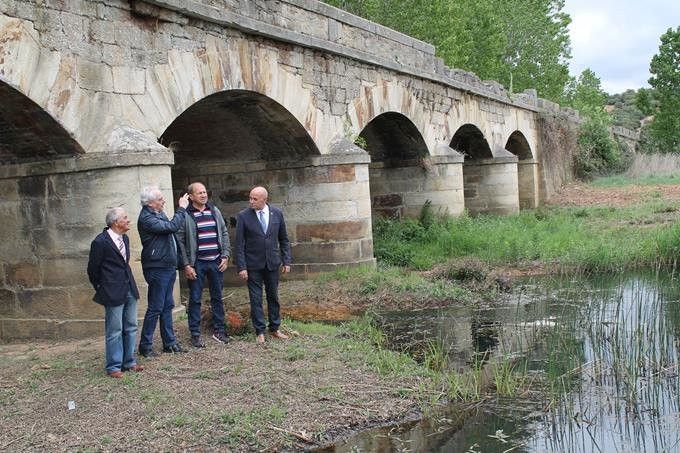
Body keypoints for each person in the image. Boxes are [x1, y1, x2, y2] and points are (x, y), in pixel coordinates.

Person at [87, 207, 143, 378]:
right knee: (114, 329)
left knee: (131, 326)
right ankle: (113, 367)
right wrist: (102, 287)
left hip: (129, 289)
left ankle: (129, 362)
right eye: (125, 218)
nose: (128, 220)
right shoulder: (100, 242)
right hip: (112, 291)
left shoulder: (124, 238)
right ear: (115, 222)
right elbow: (93, 270)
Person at [234, 186, 292, 344]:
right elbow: (239, 244)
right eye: (250, 198)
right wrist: (242, 266)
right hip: (253, 265)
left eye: (255, 199)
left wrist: (286, 260)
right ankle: (259, 330)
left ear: (265, 199)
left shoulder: (277, 214)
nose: (251, 201)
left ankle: (275, 328)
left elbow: (284, 239)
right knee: (255, 298)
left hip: (272, 263)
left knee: (273, 296)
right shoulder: (243, 216)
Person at [176, 182, 231, 347]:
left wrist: (226, 256)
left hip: (216, 262)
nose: (203, 195)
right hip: (197, 264)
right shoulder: (185, 214)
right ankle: (195, 334)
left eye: (205, 192)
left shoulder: (214, 211)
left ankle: (219, 331)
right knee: (195, 299)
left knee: (217, 298)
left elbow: (224, 232)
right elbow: (180, 241)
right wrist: (186, 265)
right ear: (191, 196)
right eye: (199, 193)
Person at [137, 186, 190, 357]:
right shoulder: (147, 218)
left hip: (166, 265)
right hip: (157, 267)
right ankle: (145, 346)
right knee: (155, 307)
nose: (164, 201)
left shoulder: (158, 213)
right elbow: (171, 227)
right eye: (160, 199)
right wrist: (182, 208)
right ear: (150, 203)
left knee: (167, 305)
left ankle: (170, 342)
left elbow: (169, 229)